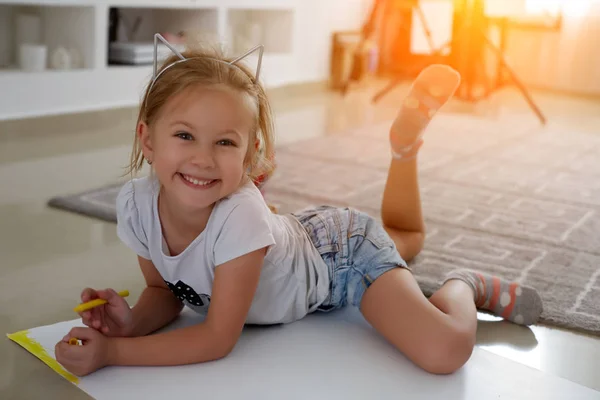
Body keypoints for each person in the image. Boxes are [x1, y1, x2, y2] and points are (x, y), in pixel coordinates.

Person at [54, 44, 543, 377]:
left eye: (225, 142)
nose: (202, 157)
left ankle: (463, 283)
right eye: (184, 135)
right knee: (404, 243)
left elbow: (218, 338)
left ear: (249, 158)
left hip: (342, 257)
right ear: (147, 138)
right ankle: (403, 149)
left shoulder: (239, 214)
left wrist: (116, 352)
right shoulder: (137, 207)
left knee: (445, 351)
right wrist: (132, 322)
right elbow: (165, 290)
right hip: (299, 237)